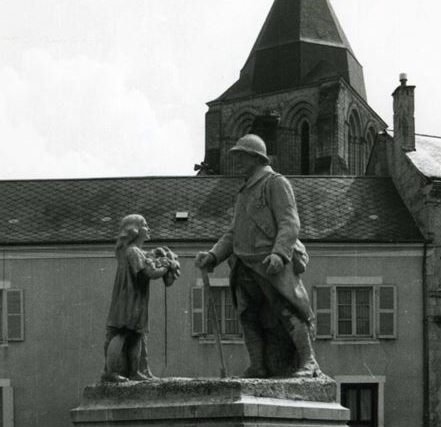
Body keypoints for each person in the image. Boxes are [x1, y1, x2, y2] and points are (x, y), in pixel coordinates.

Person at [195, 134, 320, 378]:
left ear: (255, 157)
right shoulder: (244, 191)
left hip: (270, 261)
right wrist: (213, 256)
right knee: (248, 316)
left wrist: (280, 254)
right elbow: (234, 233)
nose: (237, 161)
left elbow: (290, 223)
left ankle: (309, 361)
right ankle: (258, 365)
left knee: (289, 310)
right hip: (244, 264)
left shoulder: (275, 183)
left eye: (241, 155)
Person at [102, 214, 180, 382]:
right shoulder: (133, 252)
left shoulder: (132, 251)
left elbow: (147, 258)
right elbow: (149, 273)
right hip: (131, 300)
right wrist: (166, 266)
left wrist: (157, 254)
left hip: (130, 299)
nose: (149, 228)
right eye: (145, 225)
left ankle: (138, 371)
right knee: (124, 334)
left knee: (137, 335)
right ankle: (113, 371)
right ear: (135, 231)